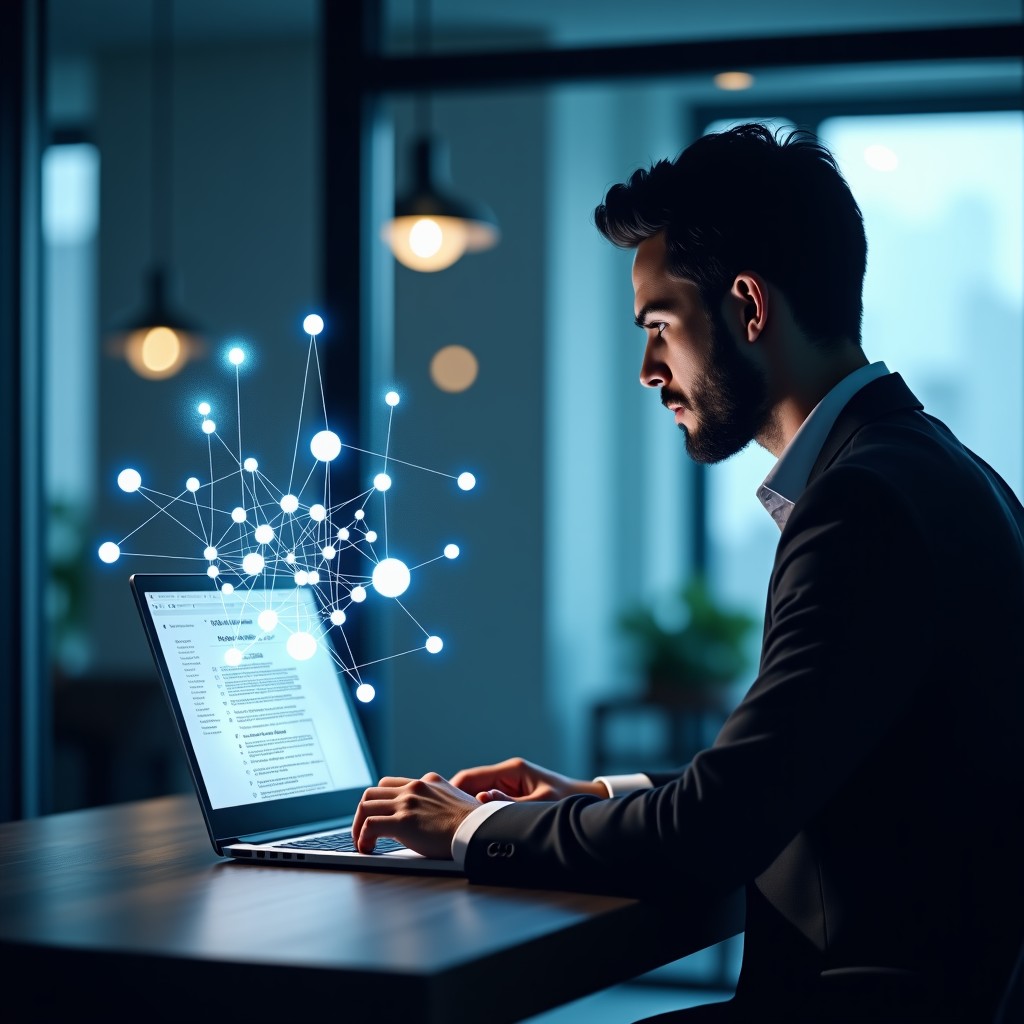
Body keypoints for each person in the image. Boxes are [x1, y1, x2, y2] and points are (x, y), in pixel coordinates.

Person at [352, 123, 1024, 1022]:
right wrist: (600, 795)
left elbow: (718, 831)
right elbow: (788, 771)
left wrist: (472, 828)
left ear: (748, 307)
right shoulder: (950, 473)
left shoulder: (860, 506)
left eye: (660, 326)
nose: (647, 370)